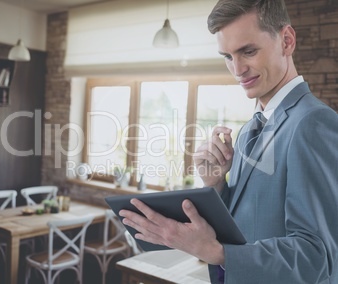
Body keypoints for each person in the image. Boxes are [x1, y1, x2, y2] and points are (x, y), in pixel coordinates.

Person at [119, 0, 338, 283]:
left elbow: (317, 256)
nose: (237, 69)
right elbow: (248, 222)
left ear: (286, 41)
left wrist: (218, 252)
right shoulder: (250, 129)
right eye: (227, 56)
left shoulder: (313, 123)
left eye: (248, 51)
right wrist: (216, 185)